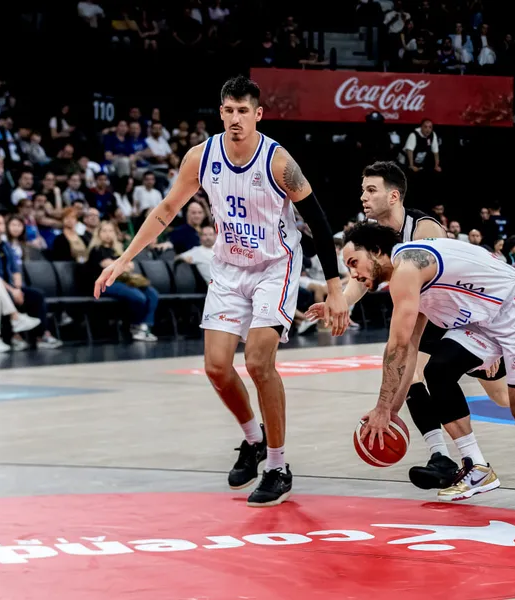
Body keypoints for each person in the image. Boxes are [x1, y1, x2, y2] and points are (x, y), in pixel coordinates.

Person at [94, 76, 348, 507]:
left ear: (258, 114)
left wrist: (336, 288)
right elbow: (167, 209)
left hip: (275, 264)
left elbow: (318, 223)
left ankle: (278, 465)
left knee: (258, 361)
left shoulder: (279, 161)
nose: (235, 119)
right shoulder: (201, 156)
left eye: (243, 111)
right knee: (215, 367)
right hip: (229, 267)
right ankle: (253, 440)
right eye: (228, 110)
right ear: (221, 113)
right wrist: (124, 258)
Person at [306, 161, 515, 498]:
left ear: (394, 195)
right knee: (435, 370)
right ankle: (459, 461)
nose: (363, 197)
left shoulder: (420, 237)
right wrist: (339, 302)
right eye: (362, 190)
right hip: (470, 314)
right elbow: (366, 284)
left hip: (510, 309)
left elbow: (403, 342)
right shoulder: (377, 245)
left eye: (371, 190)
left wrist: (386, 410)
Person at [344, 223, 515, 520]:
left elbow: (397, 347)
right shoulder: (407, 276)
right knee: (438, 370)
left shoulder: (407, 268)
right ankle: (476, 466)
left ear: (377, 251)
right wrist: (390, 410)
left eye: (354, 263)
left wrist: (381, 407)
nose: (354, 275)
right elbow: (410, 349)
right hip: (484, 321)